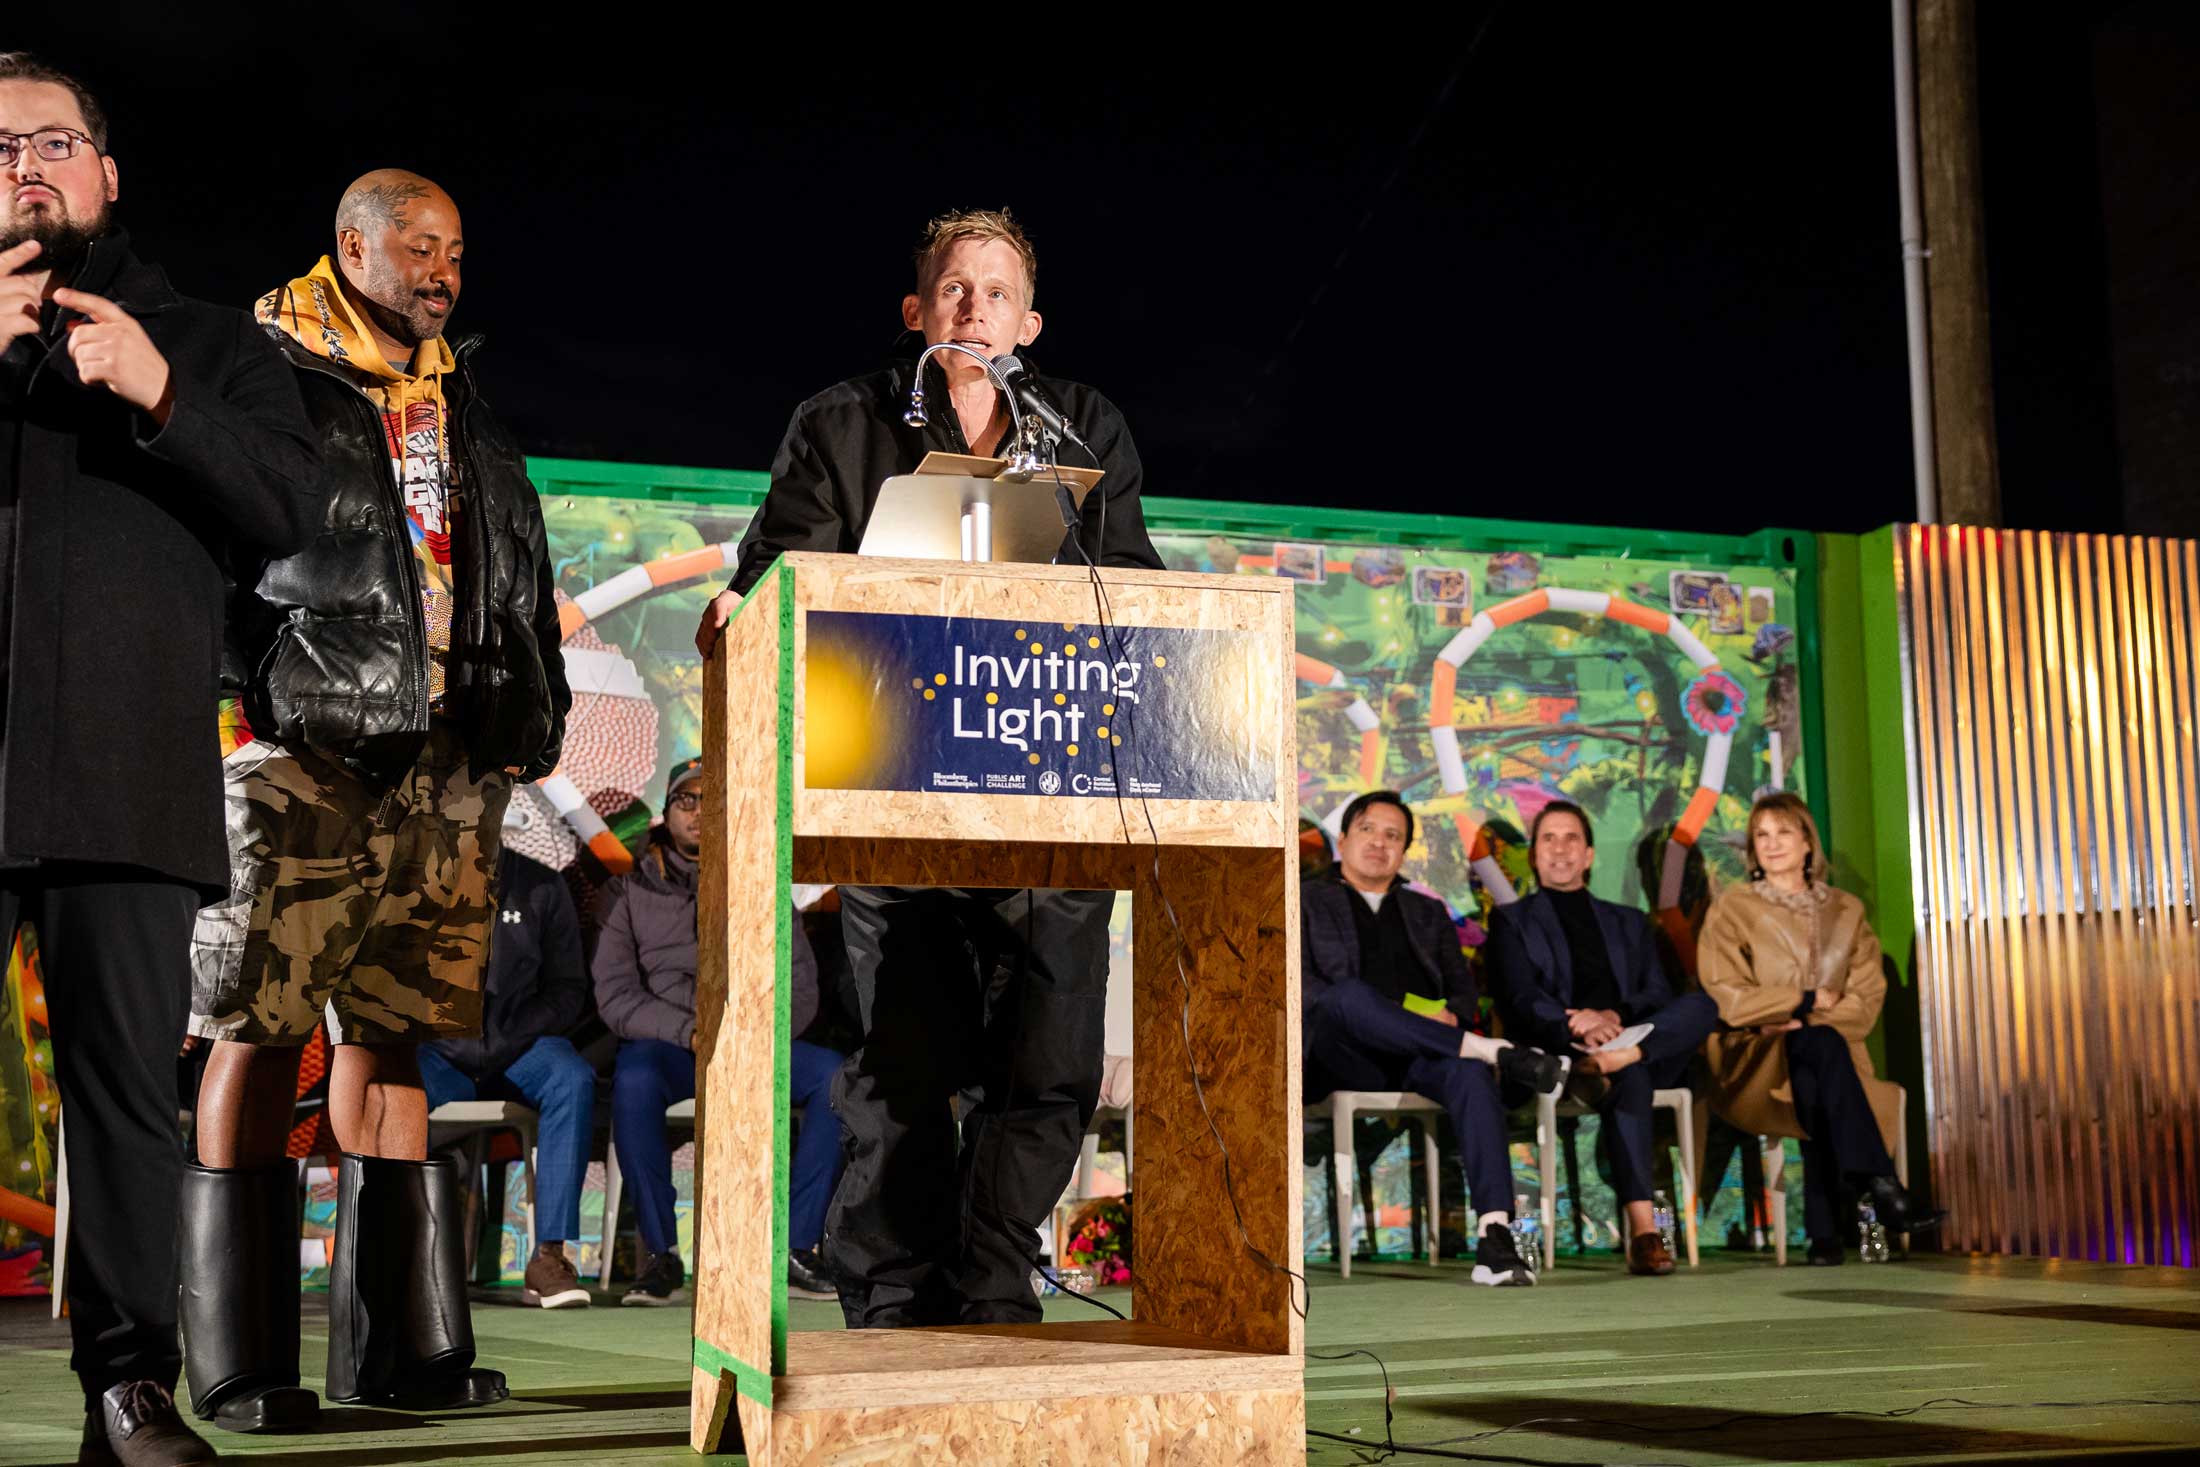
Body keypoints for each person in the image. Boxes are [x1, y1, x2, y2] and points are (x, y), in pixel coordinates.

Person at [692, 208, 1162, 1329]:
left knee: (1048, 1057)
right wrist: (738, 611)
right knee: (898, 1059)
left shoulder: (1084, 423)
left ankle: (993, 1276)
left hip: (1049, 791)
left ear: (1028, 320)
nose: (973, 310)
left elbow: (1137, 585)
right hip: (888, 782)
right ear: (916, 311)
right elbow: (773, 576)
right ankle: (895, 1292)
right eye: (954, 290)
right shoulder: (840, 421)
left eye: (996, 294)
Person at [179, 170, 568, 1425]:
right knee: (260, 1025)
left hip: (450, 760)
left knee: (391, 1029)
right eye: (417, 245)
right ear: (351, 245)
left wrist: (529, 719)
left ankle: (403, 1350)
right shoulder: (264, 372)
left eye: (454, 247)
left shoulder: (467, 401)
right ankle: (240, 1361)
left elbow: (514, 570)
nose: (443, 268)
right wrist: (252, 705)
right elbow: (210, 551)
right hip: (305, 752)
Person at [0, 52, 323, 1467]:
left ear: (108, 170)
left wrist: (155, 390)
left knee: (127, 1092)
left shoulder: (212, 339)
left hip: (124, 780)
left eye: (53, 141)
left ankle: (129, 1386)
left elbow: (296, 516)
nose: (24, 167)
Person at [593, 758, 846, 1305]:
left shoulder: (762, 881)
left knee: (833, 1077)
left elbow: (800, 983)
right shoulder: (630, 892)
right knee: (633, 1080)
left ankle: (798, 1249)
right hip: (670, 1046)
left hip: (751, 1042)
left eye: (713, 801)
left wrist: (751, 1034)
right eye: (687, 801)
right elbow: (615, 996)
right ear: (666, 814)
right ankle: (661, 1257)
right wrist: (689, 1031)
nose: (700, 813)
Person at [1301, 791, 1567, 1287]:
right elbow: (1306, 991)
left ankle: (1494, 1238)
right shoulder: (1306, 899)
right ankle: (1495, 1052)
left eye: (1393, 836)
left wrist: (1453, 1017)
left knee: (1468, 1074)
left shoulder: (1427, 912)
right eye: (1368, 830)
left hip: (1422, 1055)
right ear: (1343, 839)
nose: (1379, 843)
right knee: (1348, 998)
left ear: (1403, 852)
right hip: (1341, 1056)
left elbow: (1462, 995)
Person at [1696, 792, 1942, 1264]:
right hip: (1755, 1058)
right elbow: (1727, 996)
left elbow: (1865, 1003)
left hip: (1832, 1056)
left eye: (1783, 832)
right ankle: (1879, 1184)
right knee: (1818, 1056)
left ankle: (1824, 1236)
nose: (1770, 845)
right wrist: (1797, 1002)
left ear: (1808, 842)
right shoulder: (1732, 908)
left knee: (1819, 1053)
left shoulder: (1847, 912)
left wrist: (1803, 1020)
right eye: (1760, 836)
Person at [1485, 801, 1719, 1275]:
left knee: (1702, 1006)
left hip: (1626, 1041)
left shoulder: (1630, 922)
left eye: (1571, 838)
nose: (1560, 849)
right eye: (1548, 839)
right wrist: (1579, 1023)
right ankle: (1644, 1233)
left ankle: (1620, 1059)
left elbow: (1656, 992)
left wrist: (1614, 1017)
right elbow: (1520, 998)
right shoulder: (1513, 922)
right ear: (1534, 856)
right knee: (1632, 1078)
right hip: (1563, 1050)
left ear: (1589, 855)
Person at [418, 845, 595, 1309]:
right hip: (441, 1050)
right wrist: (451, 1033)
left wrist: (508, 1034)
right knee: (393, 1090)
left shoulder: (540, 884)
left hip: (520, 1046)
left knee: (571, 1078)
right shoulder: (414, 874)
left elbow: (568, 988)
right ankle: (409, 1257)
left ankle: (548, 1256)